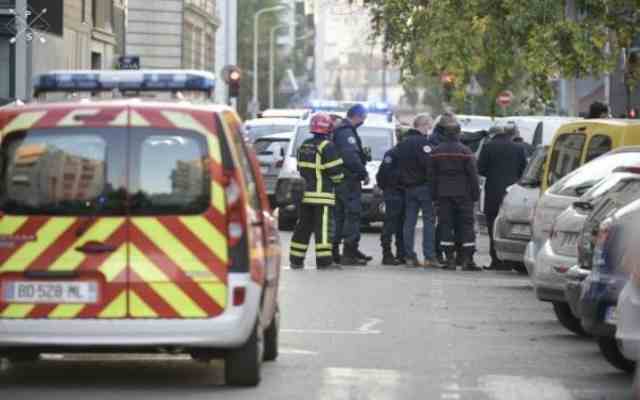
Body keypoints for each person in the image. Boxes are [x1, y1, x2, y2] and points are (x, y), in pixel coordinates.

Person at [289, 113, 344, 270]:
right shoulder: (327, 146)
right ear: (328, 128)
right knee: (323, 230)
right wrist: (339, 179)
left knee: (303, 228)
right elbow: (336, 172)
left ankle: (296, 260)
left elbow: (301, 168)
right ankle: (324, 261)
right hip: (323, 196)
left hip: (305, 195)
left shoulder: (304, 145)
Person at [431, 113, 482, 271]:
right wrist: (475, 194)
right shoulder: (465, 151)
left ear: (445, 134)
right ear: (459, 133)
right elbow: (473, 175)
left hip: (443, 195)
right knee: (466, 226)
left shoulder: (436, 151)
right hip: (464, 194)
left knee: (446, 225)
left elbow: (431, 176)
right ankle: (467, 260)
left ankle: (450, 260)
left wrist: (434, 195)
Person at [478, 123, 527, 270]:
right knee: (510, 225)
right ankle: (511, 260)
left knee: (493, 224)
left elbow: (481, 169)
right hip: (512, 192)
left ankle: (496, 261)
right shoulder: (518, 148)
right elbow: (523, 171)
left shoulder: (488, 146)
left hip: (493, 191)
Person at [397, 113, 440, 268]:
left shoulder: (402, 143)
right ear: (423, 125)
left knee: (409, 222)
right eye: (429, 125)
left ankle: (409, 256)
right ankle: (429, 257)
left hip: (408, 188)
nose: (430, 128)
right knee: (429, 221)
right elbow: (429, 165)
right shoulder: (424, 143)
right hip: (424, 187)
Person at [333, 104, 372, 266]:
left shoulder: (343, 130)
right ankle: (349, 252)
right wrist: (363, 173)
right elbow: (350, 156)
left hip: (343, 180)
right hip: (348, 180)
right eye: (364, 117)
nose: (364, 120)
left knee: (341, 215)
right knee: (352, 215)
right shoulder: (346, 132)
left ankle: (346, 250)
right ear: (357, 116)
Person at [376, 143, 405, 265]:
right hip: (394, 191)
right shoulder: (392, 153)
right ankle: (387, 253)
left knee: (400, 224)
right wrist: (388, 187)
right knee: (391, 223)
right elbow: (382, 174)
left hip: (400, 191)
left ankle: (400, 253)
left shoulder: (401, 152)